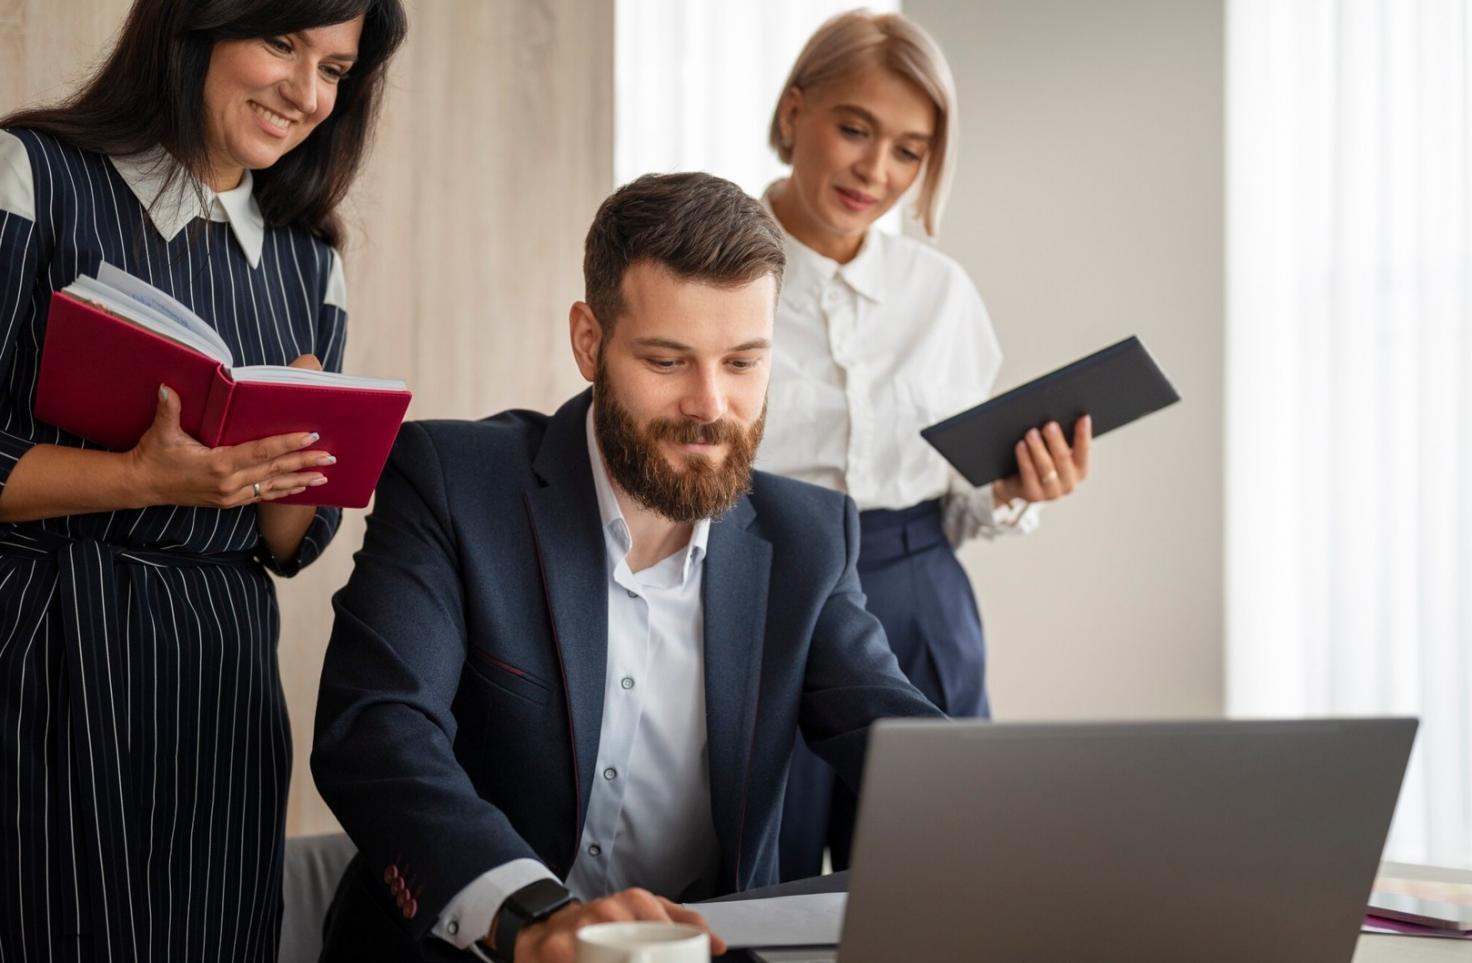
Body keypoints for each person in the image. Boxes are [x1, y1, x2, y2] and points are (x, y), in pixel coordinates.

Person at [311, 172, 943, 963]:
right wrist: (532, 918)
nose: (710, 404)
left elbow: (904, 744)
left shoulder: (810, 540)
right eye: (668, 361)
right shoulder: (451, 483)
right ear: (589, 342)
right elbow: (377, 731)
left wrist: (1038, 832)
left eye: (743, 363)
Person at [0, 0, 406, 958]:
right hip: (45, 651)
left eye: (336, 70)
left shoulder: (310, 260)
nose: (306, 94)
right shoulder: (35, 178)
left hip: (219, 680)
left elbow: (291, 543)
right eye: (280, 43)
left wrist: (302, 447)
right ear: (194, 26)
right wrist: (140, 477)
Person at [758, 10, 1094, 880]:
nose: (876, 170)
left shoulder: (940, 294)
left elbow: (963, 497)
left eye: (909, 150)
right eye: (855, 128)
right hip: (762, 590)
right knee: (763, 873)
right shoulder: (716, 265)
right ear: (796, 112)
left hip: (919, 593)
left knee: (940, 876)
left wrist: (1020, 487)